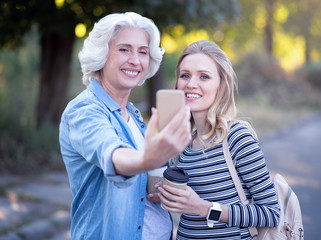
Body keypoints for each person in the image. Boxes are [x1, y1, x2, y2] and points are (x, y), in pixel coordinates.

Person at [59, 12, 191, 240]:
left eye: (143, 52)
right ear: (101, 54)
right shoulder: (85, 111)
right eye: (124, 49)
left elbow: (140, 185)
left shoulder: (131, 114)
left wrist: (159, 189)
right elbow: (112, 155)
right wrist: (147, 159)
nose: (135, 60)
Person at [158, 40, 280, 240]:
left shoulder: (236, 137)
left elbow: (270, 213)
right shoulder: (182, 144)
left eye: (204, 76)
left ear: (221, 85)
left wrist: (203, 208)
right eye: (185, 75)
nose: (191, 83)